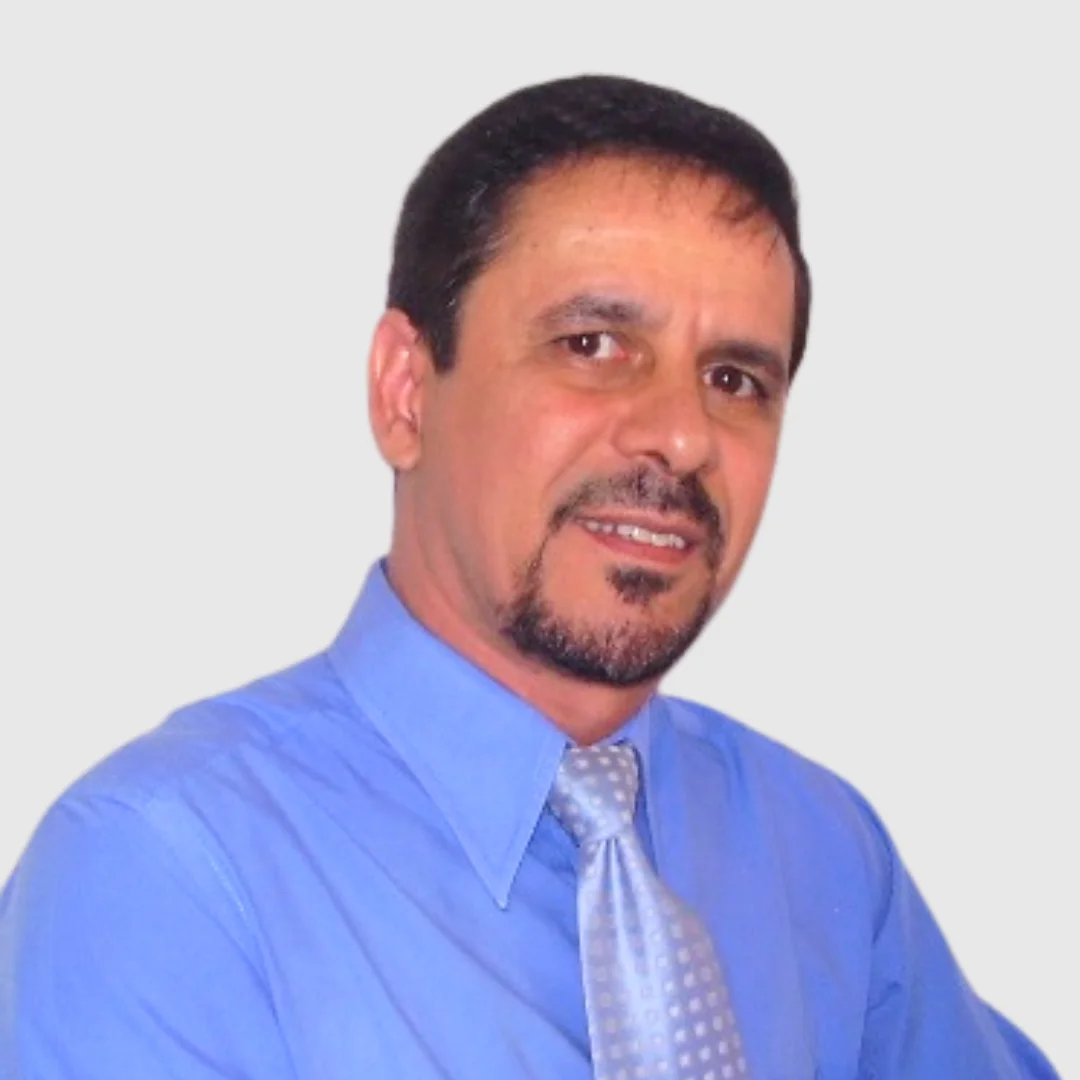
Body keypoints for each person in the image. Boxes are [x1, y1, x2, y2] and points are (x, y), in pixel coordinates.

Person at [0, 74, 1059, 1080]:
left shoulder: (820, 853)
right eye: (593, 344)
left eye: (736, 379)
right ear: (406, 393)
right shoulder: (168, 875)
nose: (683, 435)